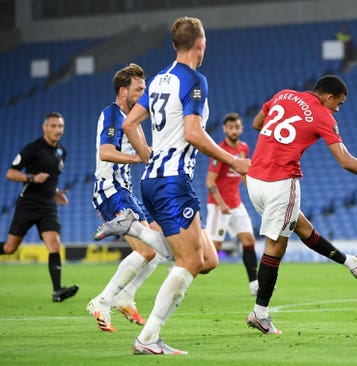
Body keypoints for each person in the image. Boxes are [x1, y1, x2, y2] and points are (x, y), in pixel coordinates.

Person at [118, 16, 250, 355]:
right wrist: (232, 160)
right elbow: (193, 132)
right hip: (173, 183)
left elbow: (131, 122)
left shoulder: (160, 79)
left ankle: (143, 234)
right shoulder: (193, 79)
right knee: (190, 261)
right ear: (200, 43)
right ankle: (148, 339)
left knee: (207, 259)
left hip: (156, 180)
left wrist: (149, 155)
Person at [245, 74, 357, 334]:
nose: (338, 109)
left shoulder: (284, 94)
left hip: (255, 178)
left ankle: (353, 264)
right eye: (339, 103)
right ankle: (260, 314)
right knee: (276, 246)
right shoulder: (323, 115)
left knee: (302, 227)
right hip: (281, 181)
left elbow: (257, 123)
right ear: (329, 97)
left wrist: (281, 141)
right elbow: (345, 160)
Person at [87, 63, 168, 332]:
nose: (143, 93)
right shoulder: (112, 114)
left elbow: (146, 154)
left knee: (156, 248)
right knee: (147, 249)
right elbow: (106, 152)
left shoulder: (134, 120)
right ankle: (102, 301)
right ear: (124, 91)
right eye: (139, 88)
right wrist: (135, 157)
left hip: (126, 192)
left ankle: (126, 294)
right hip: (111, 191)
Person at [0, 112, 78, 302]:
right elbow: (10, 173)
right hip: (27, 204)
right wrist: (32, 178)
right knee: (10, 248)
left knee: (54, 244)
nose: (57, 130)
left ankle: (57, 291)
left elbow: (52, 179)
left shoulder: (62, 152)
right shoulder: (32, 149)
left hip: (48, 206)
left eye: (60, 126)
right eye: (53, 126)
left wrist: (56, 192)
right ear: (45, 127)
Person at [205, 112, 258, 295]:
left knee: (249, 240)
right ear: (225, 129)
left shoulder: (244, 148)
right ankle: (183, 263)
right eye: (230, 127)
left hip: (236, 203)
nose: (234, 130)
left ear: (241, 128)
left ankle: (254, 285)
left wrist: (253, 191)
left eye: (237, 127)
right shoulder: (219, 151)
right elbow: (210, 182)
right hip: (219, 206)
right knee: (214, 249)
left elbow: (243, 173)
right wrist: (221, 204)